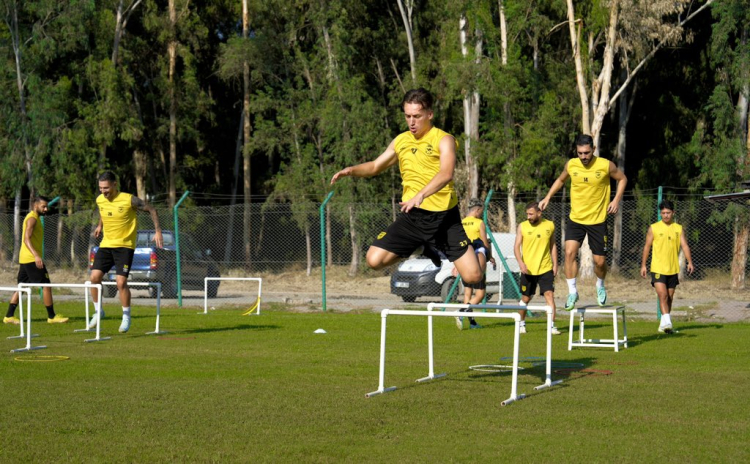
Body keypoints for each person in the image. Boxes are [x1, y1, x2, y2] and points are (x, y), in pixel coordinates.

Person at [330, 88, 482, 286]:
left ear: (429, 114)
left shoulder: (444, 139)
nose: (412, 122)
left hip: (444, 218)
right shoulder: (401, 141)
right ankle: (421, 247)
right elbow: (375, 166)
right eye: (408, 116)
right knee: (374, 260)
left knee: (474, 277)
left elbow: (446, 174)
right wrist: (352, 170)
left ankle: (475, 246)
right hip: (414, 216)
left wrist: (420, 195)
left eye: (417, 116)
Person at [538, 134, 627, 310]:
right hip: (576, 219)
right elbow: (561, 180)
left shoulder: (605, 165)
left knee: (600, 262)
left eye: (586, 153)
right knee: (570, 252)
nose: (584, 157)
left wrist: (616, 200)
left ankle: (600, 286)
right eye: (580, 153)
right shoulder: (572, 164)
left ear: (593, 149)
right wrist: (548, 196)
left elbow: (623, 179)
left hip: (597, 220)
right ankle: (572, 292)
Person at [88, 171, 163, 333]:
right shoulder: (100, 199)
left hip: (125, 246)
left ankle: (126, 316)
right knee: (94, 277)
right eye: (101, 188)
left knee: (121, 282)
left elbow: (152, 209)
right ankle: (98, 311)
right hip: (106, 244)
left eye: (106, 188)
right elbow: (104, 210)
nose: (103, 191)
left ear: (115, 184)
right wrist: (100, 225)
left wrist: (158, 231)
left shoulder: (129, 199)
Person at [4, 196, 68, 325]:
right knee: (46, 285)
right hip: (31, 259)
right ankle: (51, 316)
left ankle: (9, 316)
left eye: (46, 207)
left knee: (21, 286)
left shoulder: (35, 218)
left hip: (25, 258)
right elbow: (26, 239)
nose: (45, 209)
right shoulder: (32, 218)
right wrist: (36, 256)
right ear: (35, 205)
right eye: (43, 206)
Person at [640, 200, 694, 334]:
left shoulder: (678, 228)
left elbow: (685, 246)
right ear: (660, 214)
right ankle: (668, 322)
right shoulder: (654, 228)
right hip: (658, 268)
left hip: (673, 268)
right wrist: (643, 265)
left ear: (673, 213)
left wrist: (690, 262)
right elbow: (647, 246)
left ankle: (663, 325)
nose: (665, 215)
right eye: (663, 213)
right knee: (662, 295)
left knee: (669, 297)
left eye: (668, 213)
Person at [513, 202, 560, 335]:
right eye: (527, 214)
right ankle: (521, 323)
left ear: (539, 213)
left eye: (531, 214)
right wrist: (521, 263)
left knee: (549, 295)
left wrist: (555, 264)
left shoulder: (550, 225)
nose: (528, 216)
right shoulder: (522, 226)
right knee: (526, 298)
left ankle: (551, 326)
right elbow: (516, 246)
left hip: (546, 268)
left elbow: (553, 246)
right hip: (528, 269)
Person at [455, 198, 495, 330]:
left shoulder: (461, 223)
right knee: (480, 295)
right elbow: (484, 242)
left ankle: (471, 323)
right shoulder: (479, 223)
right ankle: (461, 312)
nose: (481, 214)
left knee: (467, 293)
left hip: (464, 259)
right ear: (477, 210)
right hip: (477, 259)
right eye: (481, 211)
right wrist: (490, 256)